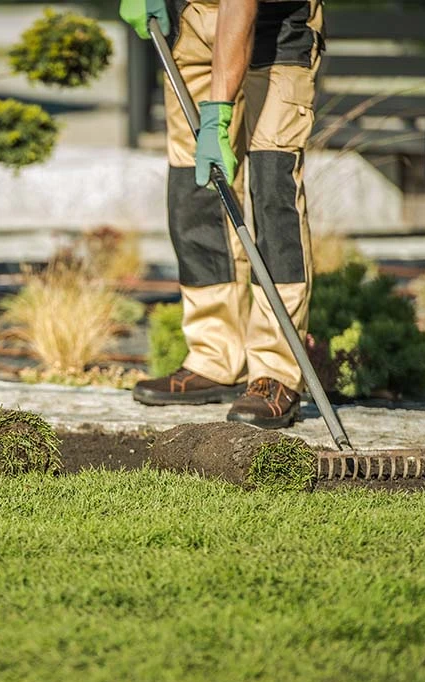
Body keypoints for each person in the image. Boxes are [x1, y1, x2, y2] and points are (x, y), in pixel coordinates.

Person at [121, 0, 324, 429]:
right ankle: (215, 355)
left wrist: (216, 115)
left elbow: (240, 6)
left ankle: (275, 370)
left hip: (275, 24)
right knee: (194, 188)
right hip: (191, 22)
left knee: (273, 189)